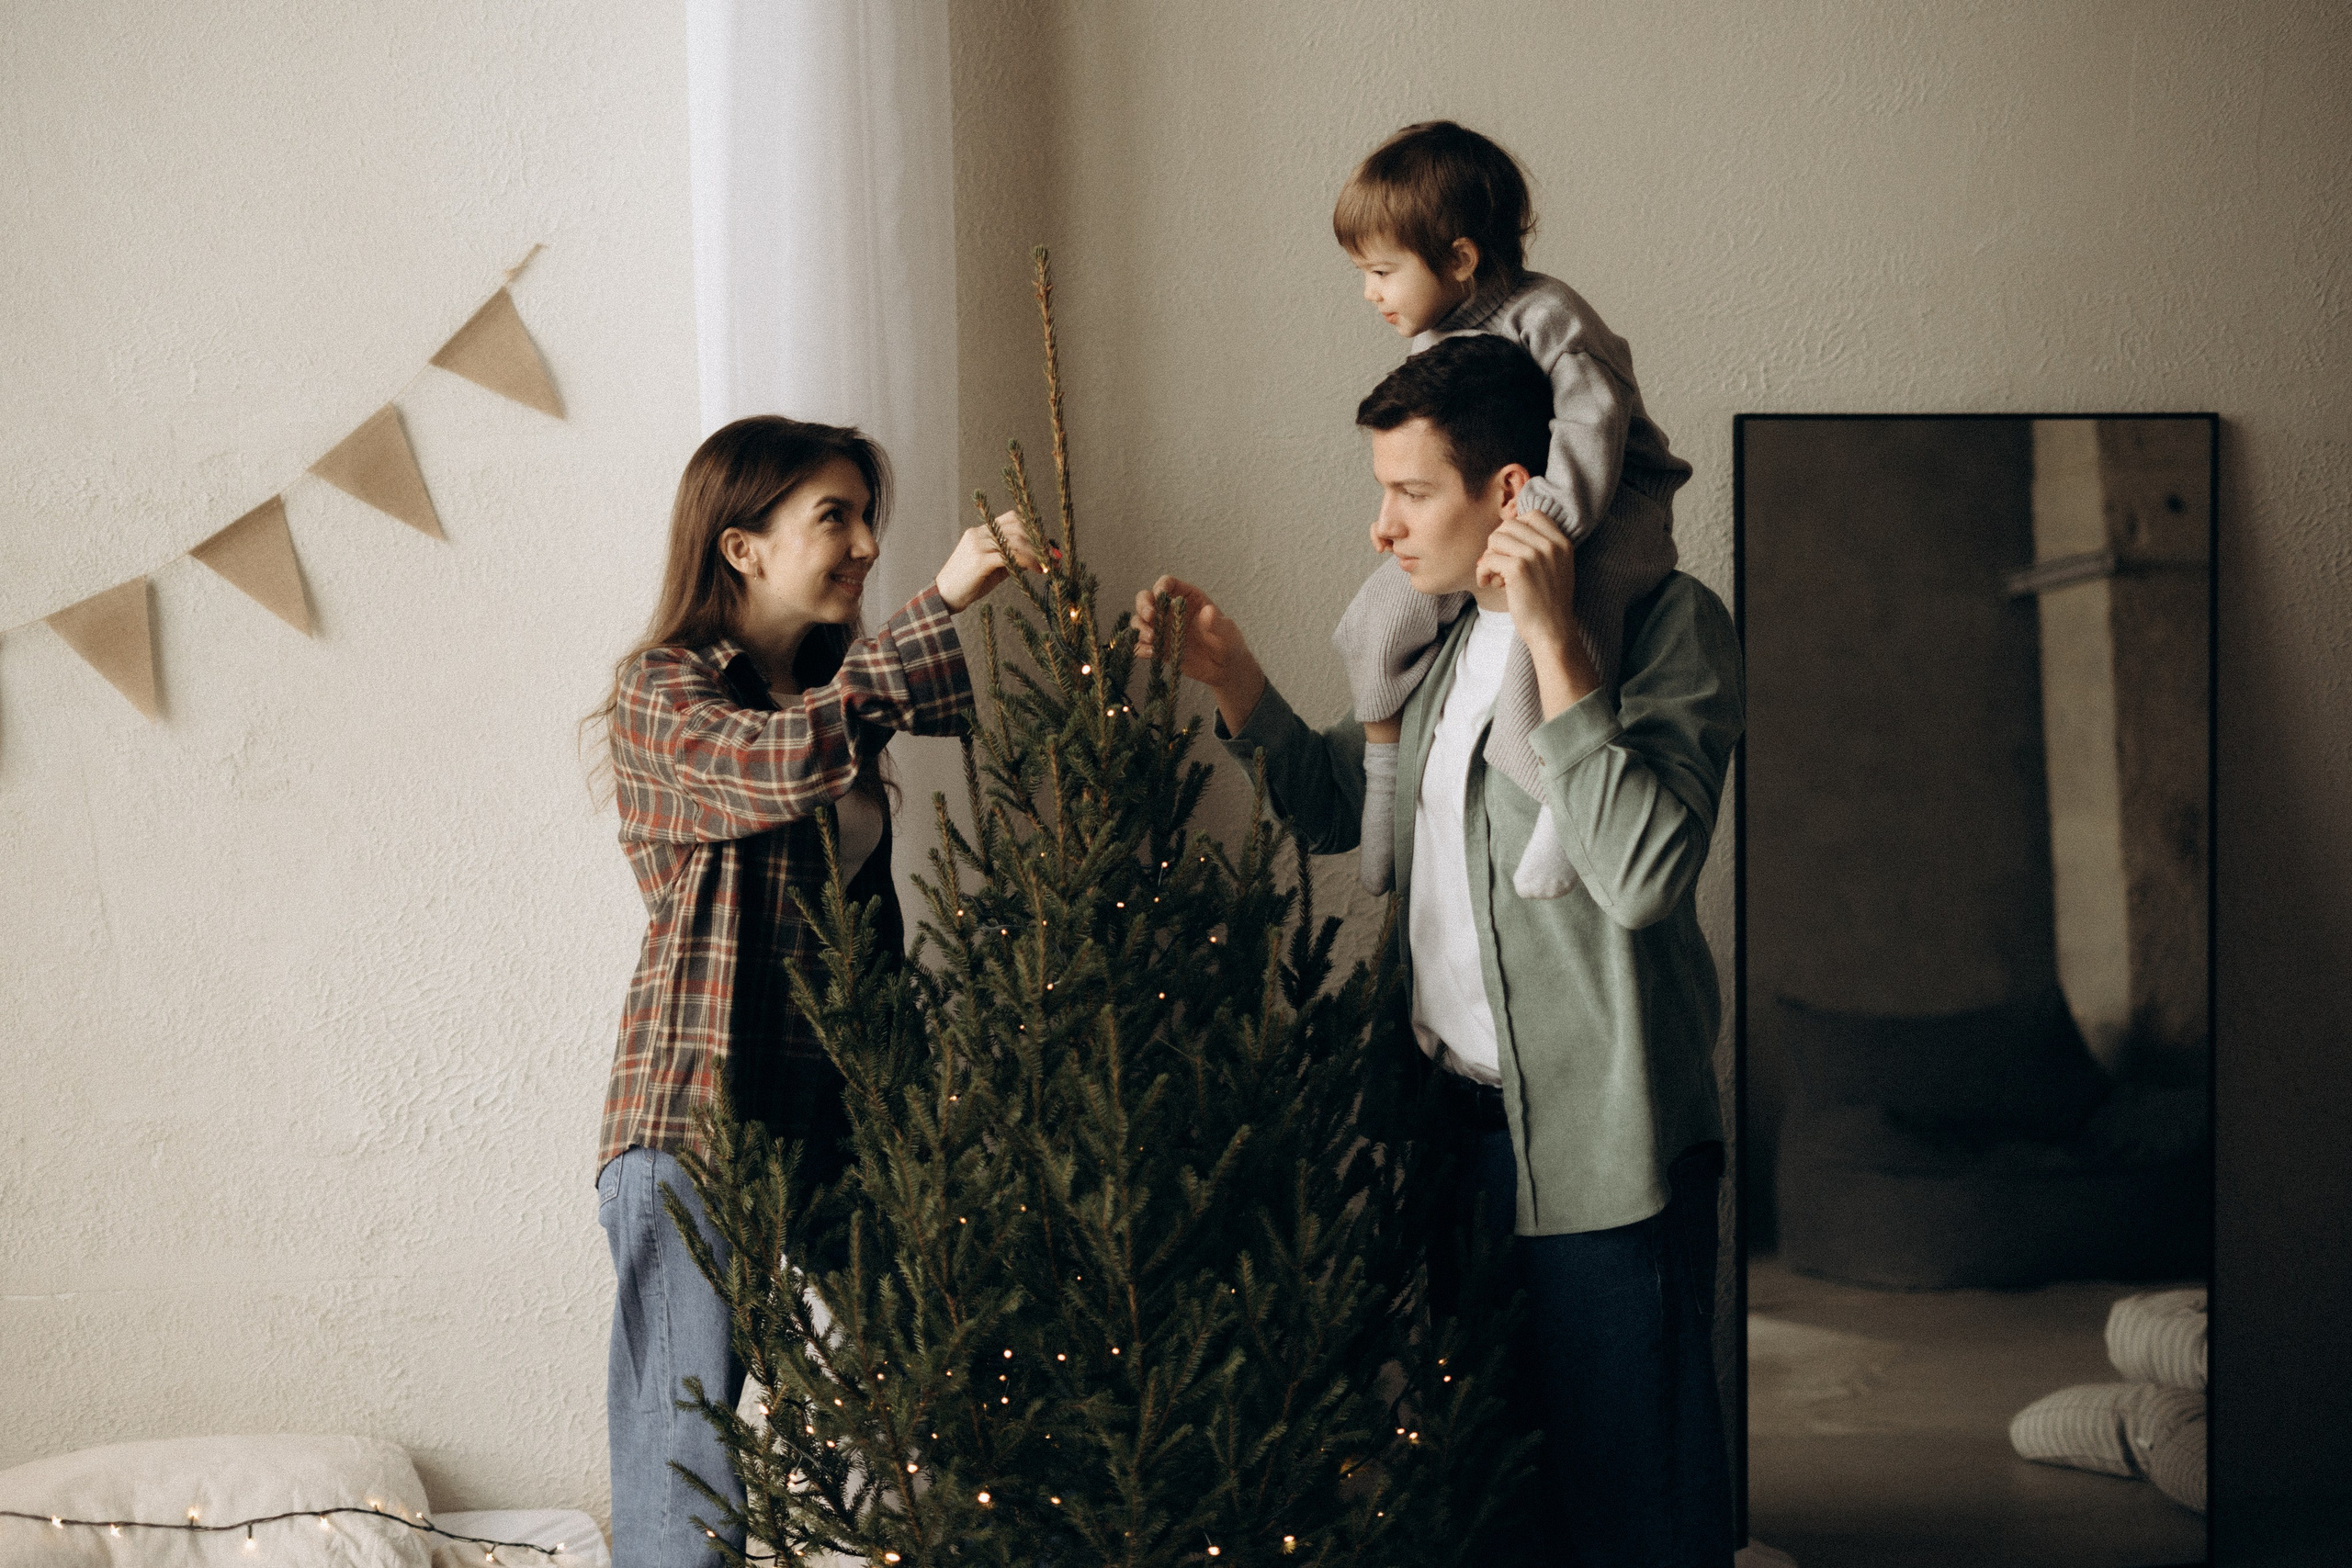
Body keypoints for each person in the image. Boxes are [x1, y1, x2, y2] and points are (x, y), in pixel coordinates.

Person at [1134, 336, 1742, 1568]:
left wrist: (1560, 640)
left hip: (1611, 1155)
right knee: (1490, 1496)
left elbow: (1642, 871)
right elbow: (1353, 818)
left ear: (1511, 493)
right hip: (1449, 1141)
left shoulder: (1666, 628)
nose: (1383, 527)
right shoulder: (1450, 647)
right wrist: (1237, 677)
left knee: (1634, 1514)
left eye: (1411, 493)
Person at [587, 415, 1035, 1568]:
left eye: (865, 516)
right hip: (698, 1118)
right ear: (741, 548)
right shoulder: (663, 691)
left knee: (949, 1376)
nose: (866, 542)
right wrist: (940, 604)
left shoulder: (837, 701)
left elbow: (861, 942)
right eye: (833, 516)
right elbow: (764, 765)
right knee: (688, 1480)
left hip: (840, 1124)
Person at [1330, 119, 1692, 901]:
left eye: (1384, 270)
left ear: (1459, 258)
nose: (1371, 291)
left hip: (1609, 506)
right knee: (1377, 613)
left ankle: (1563, 814)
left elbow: (1594, 423)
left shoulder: (1549, 315)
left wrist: (1543, 524)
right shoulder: (1434, 342)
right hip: (1505, 515)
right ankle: (1384, 773)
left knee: (1571, 614)